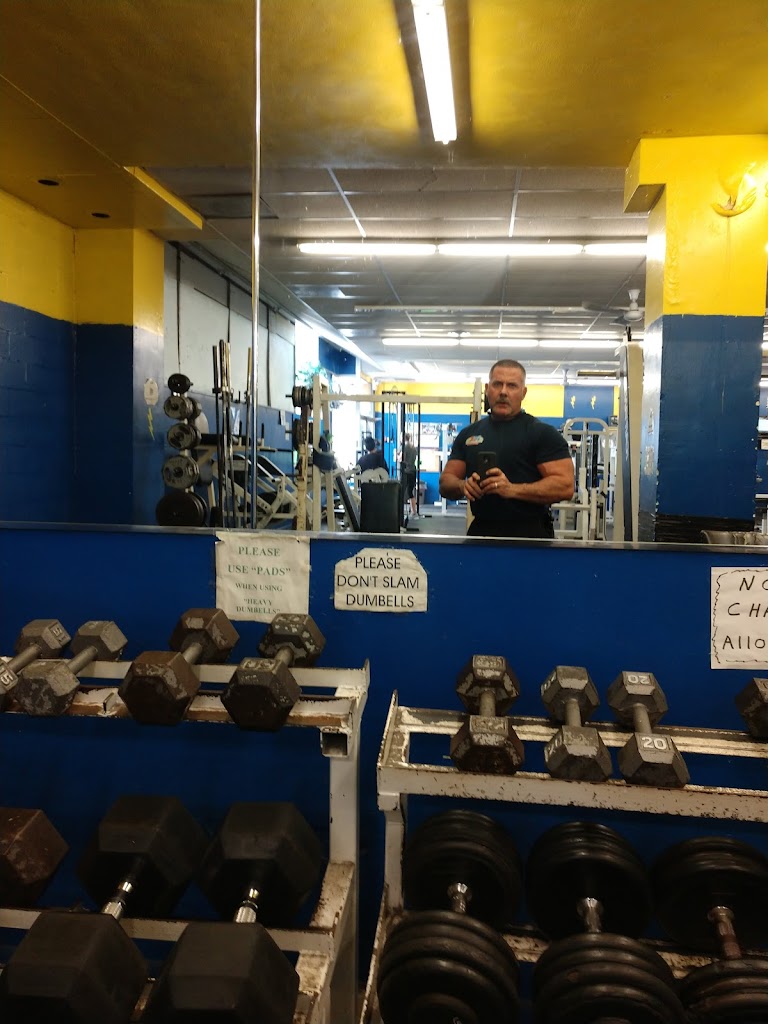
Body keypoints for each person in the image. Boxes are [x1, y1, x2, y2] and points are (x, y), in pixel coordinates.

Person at [438, 359, 574, 539]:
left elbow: (565, 486)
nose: (503, 392)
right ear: (487, 389)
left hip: (531, 535)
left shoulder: (542, 433)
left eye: (512, 386)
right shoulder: (469, 434)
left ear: (523, 393)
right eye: (497, 384)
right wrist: (463, 486)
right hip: (482, 531)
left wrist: (511, 489)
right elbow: (445, 482)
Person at [400, 432, 418, 518]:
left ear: (403, 438)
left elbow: (402, 459)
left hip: (406, 471)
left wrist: (398, 457)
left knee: (402, 491)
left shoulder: (404, 447)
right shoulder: (413, 447)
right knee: (410, 491)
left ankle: (400, 511)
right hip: (413, 470)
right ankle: (414, 511)